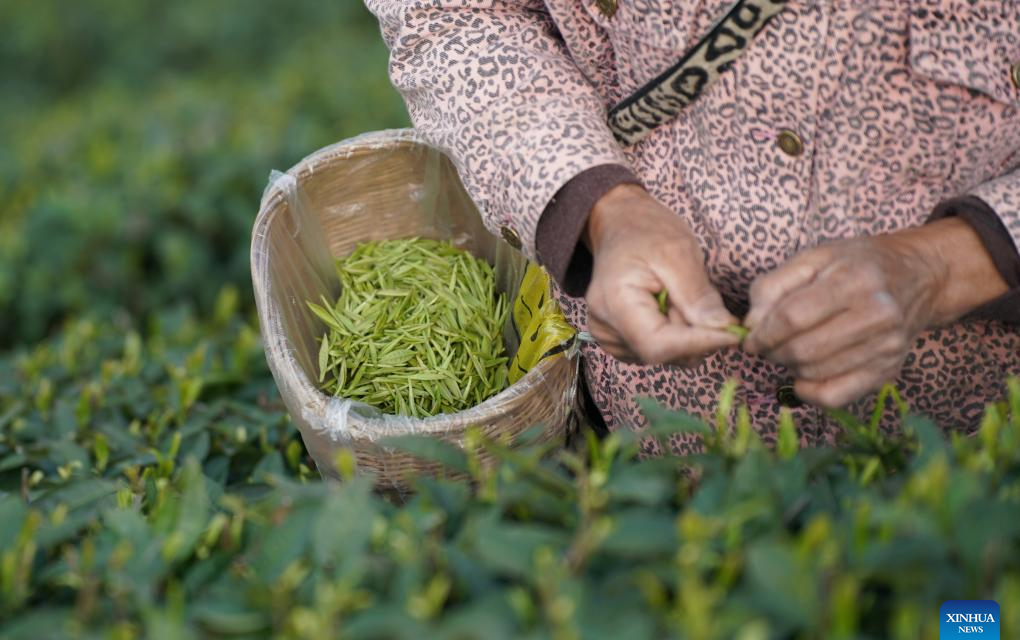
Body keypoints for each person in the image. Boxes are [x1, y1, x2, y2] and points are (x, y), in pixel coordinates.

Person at [366, 0, 1020, 451]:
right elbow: (451, 13)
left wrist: (942, 266)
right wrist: (603, 209)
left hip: (971, 451)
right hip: (647, 440)